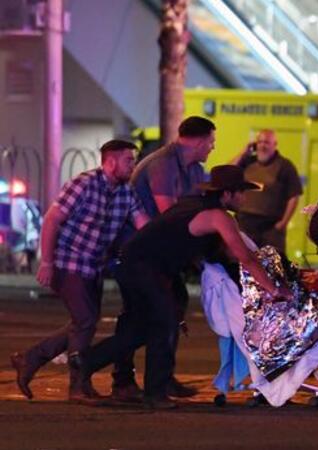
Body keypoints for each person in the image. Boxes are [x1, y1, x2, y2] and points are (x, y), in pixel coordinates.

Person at [77, 165, 288, 409]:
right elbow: (244, 257)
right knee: (164, 324)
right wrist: (274, 289)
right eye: (241, 192)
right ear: (227, 193)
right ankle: (155, 393)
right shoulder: (218, 216)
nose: (244, 198)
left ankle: (86, 362)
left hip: (136, 265)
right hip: (144, 268)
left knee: (142, 329)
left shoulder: (192, 205)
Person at [10, 140, 148, 402]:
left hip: (94, 267)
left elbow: (144, 224)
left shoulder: (126, 192)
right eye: (129, 160)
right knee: (85, 321)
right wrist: (47, 262)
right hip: (68, 263)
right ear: (110, 162)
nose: (134, 165)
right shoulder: (83, 184)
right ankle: (77, 386)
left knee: (83, 323)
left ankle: (30, 358)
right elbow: (52, 219)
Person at [109, 116, 216, 401]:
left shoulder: (195, 169)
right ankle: (122, 378)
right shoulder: (162, 164)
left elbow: (197, 208)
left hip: (162, 254)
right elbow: (170, 213)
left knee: (172, 307)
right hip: (138, 253)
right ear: (199, 141)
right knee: (142, 315)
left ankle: (161, 378)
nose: (213, 148)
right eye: (211, 142)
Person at [232, 129, 303, 257]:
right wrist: (243, 152)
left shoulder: (285, 166)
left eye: (267, 142)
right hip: (245, 224)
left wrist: (283, 223)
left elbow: (294, 196)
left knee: (273, 263)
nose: (262, 146)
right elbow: (227, 172)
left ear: (275, 145)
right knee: (243, 262)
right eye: (260, 142)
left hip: (271, 228)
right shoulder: (247, 162)